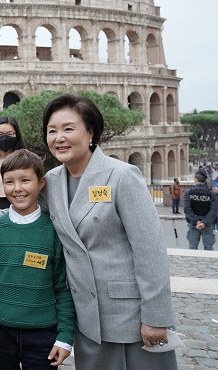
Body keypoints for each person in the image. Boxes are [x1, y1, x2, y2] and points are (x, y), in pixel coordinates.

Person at [42, 93, 177, 369]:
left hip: (131, 316)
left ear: (91, 132)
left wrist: (156, 317)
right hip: (87, 317)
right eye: (52, 131)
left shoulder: (122, 175)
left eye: (69, 129)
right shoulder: (53, 181)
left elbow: (150, 250)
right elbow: (22, 212)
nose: (59, 138)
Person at [0, 149, 76, 369]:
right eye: (9, 182)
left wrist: (65, 335)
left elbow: (63, 286)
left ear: (41, 183)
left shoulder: (53, 230)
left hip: (43, 336)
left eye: (25, 180)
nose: (17, 188)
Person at [184, 171, 218, 249]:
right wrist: (204, 222)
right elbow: (214, 210)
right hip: (208, 224)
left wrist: (196, 221)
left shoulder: (189, 192)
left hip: (194, 223)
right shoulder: (211, 193)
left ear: (196, 180)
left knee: (192, 247)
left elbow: (187, 209)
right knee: (208, 247)